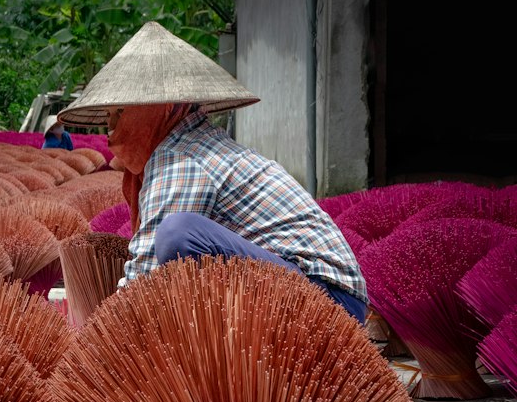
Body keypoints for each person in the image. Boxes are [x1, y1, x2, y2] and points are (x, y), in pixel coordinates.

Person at [57, 22, 368, 324]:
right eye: (109, 116)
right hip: (314, 292)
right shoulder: (191, 146)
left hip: (329, 300)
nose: (111, 130)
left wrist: (103, 335)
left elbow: (146, 274)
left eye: (120, 113)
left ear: (163, 107)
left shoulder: (181, 157)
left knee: (179, 234)